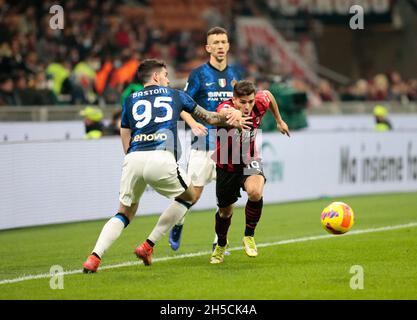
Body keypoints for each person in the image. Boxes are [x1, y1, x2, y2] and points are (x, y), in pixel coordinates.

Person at [82, 59, 249, 272]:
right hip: (161, 157)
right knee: (190, 196)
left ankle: (94, 257)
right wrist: (231, 117)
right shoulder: (175, 95)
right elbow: (210, 117)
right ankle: (148, 245)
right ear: (155, 77)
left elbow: (124, 134)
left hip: (133, 159)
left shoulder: (130, 99)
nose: (168, 80)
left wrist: (133, 156)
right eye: (165, 75)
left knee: (124, 213)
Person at [168, 26, 243, 251]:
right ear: (208, 48)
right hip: (203, 142)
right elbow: (181, 103)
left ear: (228, 46)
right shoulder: (199, 74)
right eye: (216, 43)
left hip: (229, 144)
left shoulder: (235, 75)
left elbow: (241, 106)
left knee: (227, 200)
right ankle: (178, 222)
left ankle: (218, 242)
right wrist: (192, 123)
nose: (220, 46)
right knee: (193, 194)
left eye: (223, 42)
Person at [210, 80, 290, 264]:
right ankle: (221, 244)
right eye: (242, 102)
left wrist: (279, 120)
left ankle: (249, 236)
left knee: (255, 192)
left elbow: (268, 95)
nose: (247, 106)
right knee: (225, 212)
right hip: (226, 165)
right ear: (234, 99)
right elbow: (223, 112)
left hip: (249, 158)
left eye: (250, 102)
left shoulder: (260, 101)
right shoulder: (225, 108)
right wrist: (234, 115)